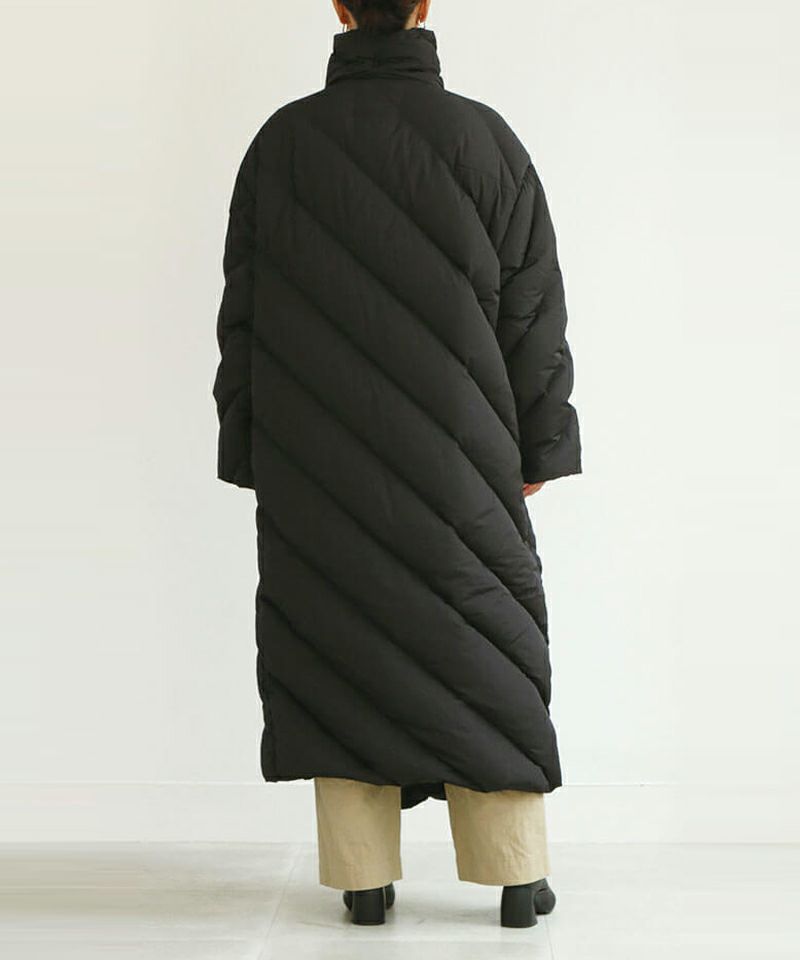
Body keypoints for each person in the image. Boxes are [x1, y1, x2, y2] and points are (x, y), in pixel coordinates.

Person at [213, 0, 582, 928]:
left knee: (336, 644)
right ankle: (513, 874)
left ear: (339, 9)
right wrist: (540, 444)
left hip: (316, 456)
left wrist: (249, 444)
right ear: (424, 8)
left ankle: (364, 878)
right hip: (465, 457)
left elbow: (244, 315)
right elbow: (533, 311)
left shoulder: (283, 144)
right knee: (483, 646)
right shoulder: (486, 140)